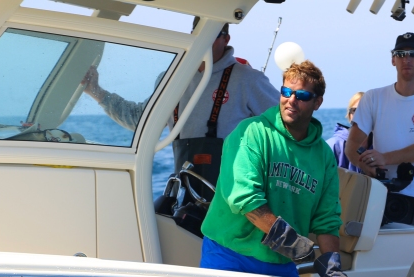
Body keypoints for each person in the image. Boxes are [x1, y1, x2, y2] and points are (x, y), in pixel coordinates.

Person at [199, 60, 353, 277]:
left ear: (318, 102)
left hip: (281, 265)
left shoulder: (323, 155)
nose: (291, 100)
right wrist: (291, 241)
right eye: (286, 92)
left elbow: (326, 219)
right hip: (229, 255)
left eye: (302, 95)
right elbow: (245, 198)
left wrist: (333, 268)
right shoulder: (251, 132)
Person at [82, 20, 282, 197]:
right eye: (200, 34)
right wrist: (96, 91)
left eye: (212, 36)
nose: (204, 41)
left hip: (233, 195)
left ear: (226, 39)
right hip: (183, 192)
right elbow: (138, 119)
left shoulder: (248, 79)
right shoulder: (171, 79)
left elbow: (286, 125)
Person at [345, 32, 414, 243]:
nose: (407, 59)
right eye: (401, 53)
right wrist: (365, 164)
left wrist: (383, 158)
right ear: (393, 59)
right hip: (380, 202)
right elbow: (352, 145)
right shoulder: (372, 98)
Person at [326, 92, 364, 173]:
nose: (359, 115)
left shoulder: (380, 147)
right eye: (355, 110)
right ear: (349, 115)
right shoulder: (333, 146)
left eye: (365, 111)